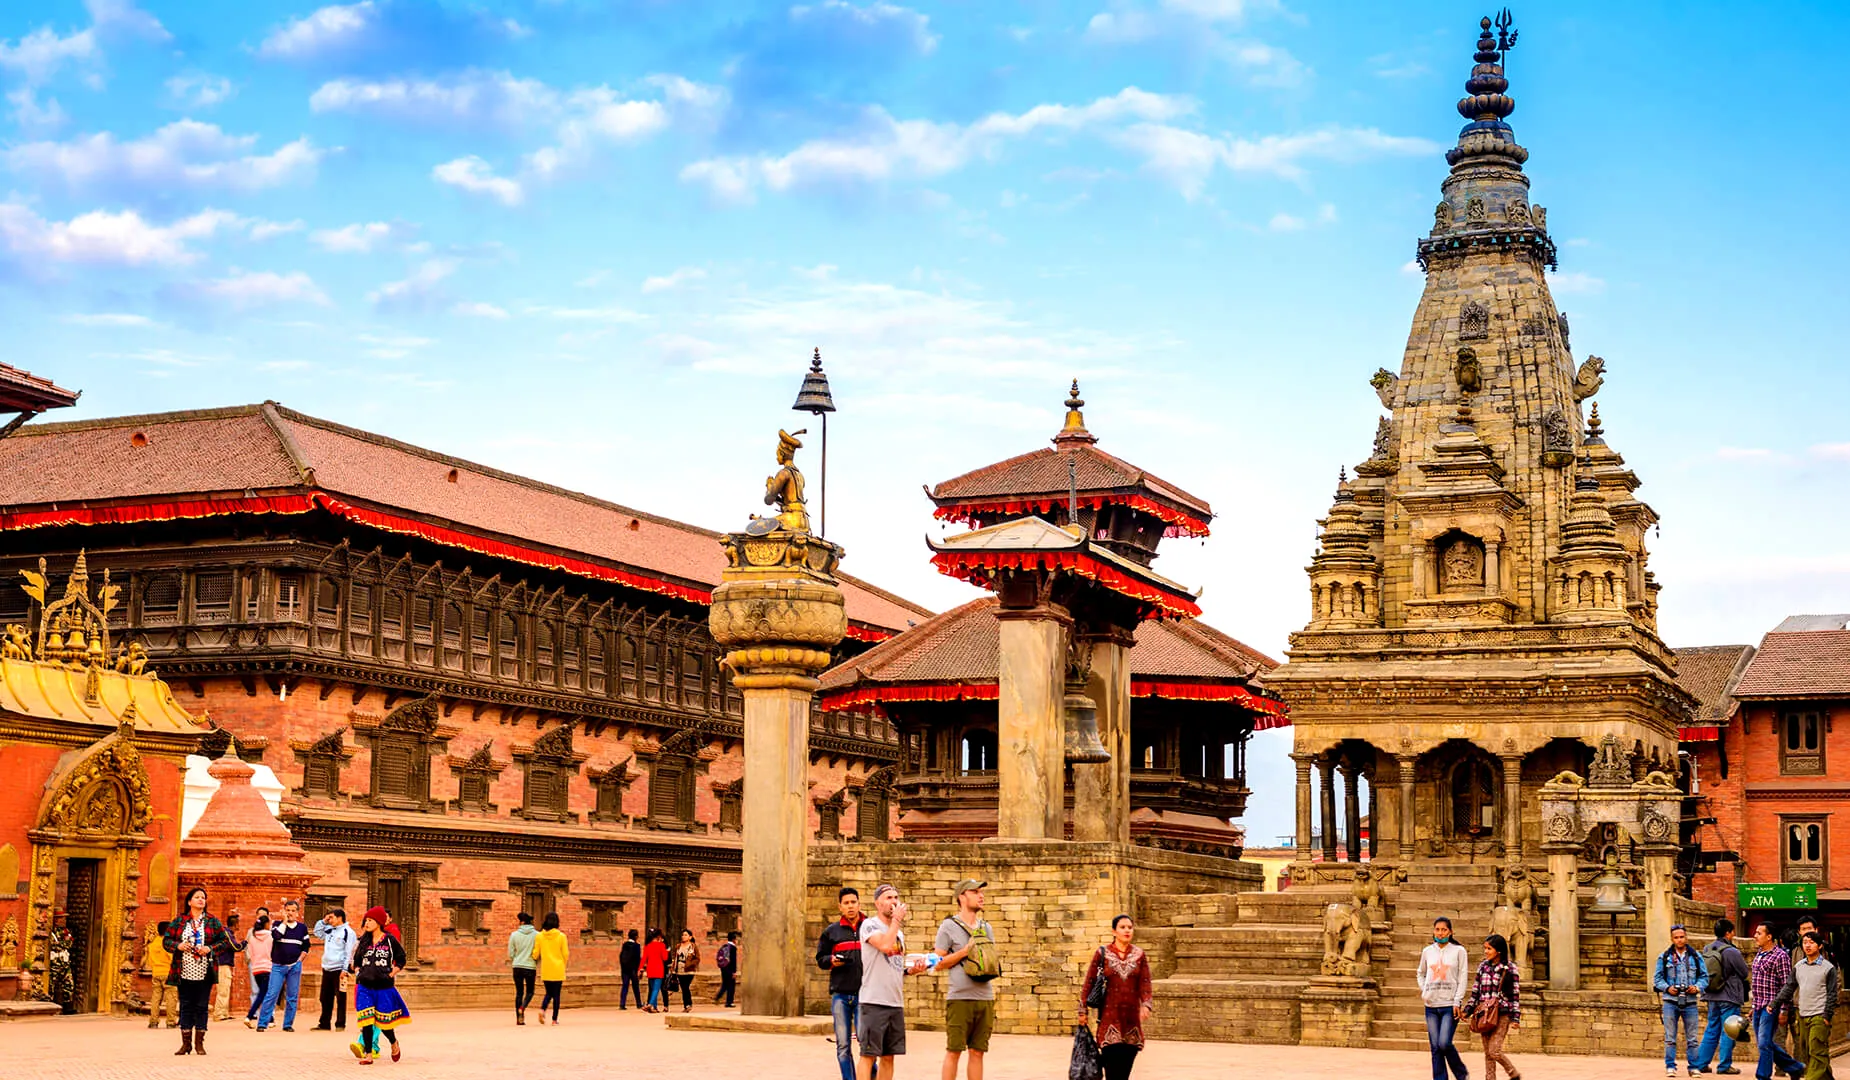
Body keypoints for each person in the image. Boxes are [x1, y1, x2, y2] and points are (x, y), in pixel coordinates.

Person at [858, 883, 932, 1080]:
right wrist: (896, 921)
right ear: (877, 903)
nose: (894, 901)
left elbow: (895, 966)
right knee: (868, 1055)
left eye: (896, 897)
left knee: (889, 1056)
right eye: (888, 897)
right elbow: (883, 945)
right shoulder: (869, 925)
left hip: (895, 1002)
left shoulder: (898, 933)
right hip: (873, 1001)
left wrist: (911, 970)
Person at [934, 879, 998, 1080]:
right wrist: (963, 952)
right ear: (962, 897)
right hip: (960, 998)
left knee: (978, 1052)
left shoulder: (986, 928)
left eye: (981, 892)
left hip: (985, 997)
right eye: (975, 892)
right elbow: (938, 962)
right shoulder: (948, 926)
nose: (981, 896)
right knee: (954, 1050)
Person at [1077, 914, 1153, 1080]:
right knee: (1112, 1073)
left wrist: (1146, 1004)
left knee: (1123, 1074)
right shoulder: (1102, 953)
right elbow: (1089, 982)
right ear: (1114, 931)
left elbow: (1145, 983)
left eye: (1129, 927)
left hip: (1131, 1024)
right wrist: (1082, 1010)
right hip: (1109, 1022)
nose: (1127, 930)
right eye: (1122, 927)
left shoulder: (1139, 955)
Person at [162, 886, 231, 1056]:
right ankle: (185, 1044)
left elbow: (224, 942)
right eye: (197, 897)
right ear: (189, 901)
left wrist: (209, 948)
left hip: (205, 970)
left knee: (201, 1006)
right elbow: (167, 940)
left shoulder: (212, 921)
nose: (201, 900)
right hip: (183, 969)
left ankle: (199, 1043)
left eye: (203, 897)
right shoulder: (180, 921)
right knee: (186, 1006)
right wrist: (178, 945)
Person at [348, 907, 411, 1065]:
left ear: (379, 922)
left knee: (384, 1022)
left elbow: (401, 958)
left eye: (370, 920)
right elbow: (356, 960)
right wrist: (358, 972)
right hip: (364, 987)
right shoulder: (364, 940)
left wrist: (392, 973)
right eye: (366, 920)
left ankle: (393, 1042)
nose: (367, 923)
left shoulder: (390, 940)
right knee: (366, 1020)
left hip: (384, 987)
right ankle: (368, 1054)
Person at [1773, 931, 1839, 1080]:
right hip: (1802, 1015)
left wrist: (1827, 1016)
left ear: (1820, 945)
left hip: (1819, 1016)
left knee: (1817, 1051)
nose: (1807, 945)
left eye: (1811, 942)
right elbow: (1789, 987)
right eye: (1805, 942)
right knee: (1808, 1052)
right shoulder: (1798, 966)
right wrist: (1775, 1003)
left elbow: (1832, 994)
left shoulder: (1828, 968)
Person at [819, 887, 868, 1080]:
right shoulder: (831, 932)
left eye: (853, 902)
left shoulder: (870, 927)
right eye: (846, 903)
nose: (850, 906)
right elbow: (820, 958)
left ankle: (871, 1073)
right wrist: (831, 960)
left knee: (866, 1044)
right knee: (843, 1046)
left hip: (865, 994)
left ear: (859, 904)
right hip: (840, 995)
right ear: (840, 906)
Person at [1693, 918, 1751, 1076]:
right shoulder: (1731, 951)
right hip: (1729, 996)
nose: (1733, 934)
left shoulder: (1707, 948)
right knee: (1729, 1030)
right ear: (1728, 932)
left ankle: (1701, 1063)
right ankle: (1724, 1065)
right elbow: (1744, 972)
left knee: (1712, 1029)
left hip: (1711, 995)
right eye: (1732, 931)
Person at [1748, 922, 1805, 1080]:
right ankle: (1795, 1068)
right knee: (1765, 1044)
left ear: (1769, 936)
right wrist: (1753, 1006)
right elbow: (1757, 983)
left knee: (1764, 1044)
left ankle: (1763, 1076)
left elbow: (1787, 985)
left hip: (1771, 1007)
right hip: (1758, 1006)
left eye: (1759, 933)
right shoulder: (1759, 954)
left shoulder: (1780, 956)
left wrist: (1784, 1009)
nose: (1755, 936)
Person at [1461, 933, 1521, 1080]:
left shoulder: (1510, 968)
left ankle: (1513, 1073)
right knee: (1488, 1053)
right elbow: (1475, 992)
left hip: (1502, 1014)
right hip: (1484, 1014)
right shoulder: (1482, 967)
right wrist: (1467, 1011)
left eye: (1489, 949)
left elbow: (1515, 995)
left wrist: (1515, 1018)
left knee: (1494, 1050)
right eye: (1485, 948)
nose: (1486, 951)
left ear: (1498, 951)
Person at [1419, 916, 1470, 1080]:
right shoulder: (1427, 951)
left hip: (1450, 1005)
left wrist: (1458, 1000)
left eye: (1444, 930)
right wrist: (1424, 990)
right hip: (1431, 1005)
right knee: (1435, 1047)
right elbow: (1420, 973)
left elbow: (1463, 977)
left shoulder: (1459, 951)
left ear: (1451, 931)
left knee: (1444, 1043)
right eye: (1437, 929)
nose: (1440, 933)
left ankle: (1461, 1074)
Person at [1657, 923, 1703, 1077]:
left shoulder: (1696, 956)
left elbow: (1705, 977)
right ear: (1672, 939)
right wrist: (1667, 988)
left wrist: (1696, 987)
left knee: (1693, 1039)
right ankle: (1670, 1066)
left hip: (1690, 1002)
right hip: (1670, 1001)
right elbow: (1657, 979)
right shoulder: (1664, 957)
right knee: (1670, 1038)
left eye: (1682, 937)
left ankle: (1694, 1067)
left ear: (1686, 937)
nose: (1679, 940)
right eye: (1676, 937)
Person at [258, 898, 311, 1031]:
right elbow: (276, 936)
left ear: (297, 913)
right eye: (288, 910)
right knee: (272, 994)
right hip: (278, 966)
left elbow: (306, 946)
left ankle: (288, 1024)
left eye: (293, 911)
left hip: (294, 966)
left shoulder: (302, 928)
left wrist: (300, 960)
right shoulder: (277, 924)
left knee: (292, 996)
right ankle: (262, 1023)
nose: (290, 913)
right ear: (284, 911)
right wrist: (284, 922)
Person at [312, 908, 357, 1032]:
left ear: (339, 918)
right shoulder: (329, 930)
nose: (329, 920)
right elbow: (317, 932)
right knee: (325, 997)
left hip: (339, 969)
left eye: (331, 917)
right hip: (327, 968)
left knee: (340, 997)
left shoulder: (348, 932)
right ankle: (324, 1023)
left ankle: (340, 1024)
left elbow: (349, 952)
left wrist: (345, 969)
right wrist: (323, 921)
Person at [534, 912, 570, 1026]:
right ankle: (554, 1020)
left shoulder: (539, 936)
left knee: (548, 993)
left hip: (546, 968)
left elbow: (535, 954)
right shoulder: (561, 936)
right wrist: (562, 964)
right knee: (557, 995)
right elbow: (565, 954)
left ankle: (542, 1009)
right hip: (558, 968)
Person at [210, 913, 243, 1022]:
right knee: (223, 989)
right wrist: (244, 943)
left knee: (225, 988)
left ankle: (223, 1012)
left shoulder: (225, 933)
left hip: (223, 963)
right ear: (235, 924)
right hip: (222, 964)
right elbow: (235, 947)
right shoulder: (227, 933)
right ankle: (219, 1013)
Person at [508, 911, 539, 1025]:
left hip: (517, 966)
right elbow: (538, 951)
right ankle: (523, 1007)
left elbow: (511, 953)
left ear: (521, 922)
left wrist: (517, 958)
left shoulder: (514, 935)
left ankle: (519, 1019)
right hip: (530, 966)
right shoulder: (537, 935)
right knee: (530, 992)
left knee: (519, 993)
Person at [243, 914, 274, 1028]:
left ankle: (271, 1019)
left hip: (256, 969)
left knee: (264, 994)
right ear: (266, 924)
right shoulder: (270, 936)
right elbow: (273, 952)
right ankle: (250, 1016)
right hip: (267, 968)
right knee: (264, 995)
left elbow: (250, 953)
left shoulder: (252, 937)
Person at [147, 920, 176, 1029]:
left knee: (155, 998)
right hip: (168, 972)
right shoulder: (168, 943)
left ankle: (153, 1021)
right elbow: (172, 959)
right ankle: (170, 1022)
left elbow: (149, 960)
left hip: (156, 972)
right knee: (171, 998)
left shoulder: (153, 944)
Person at [672, 928, 701, 1013]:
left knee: (685, 987)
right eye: (683, 935)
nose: (683, 937)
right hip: (680, 970)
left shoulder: (693, 946)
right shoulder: (678, 946)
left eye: (685, 935)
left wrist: (691, 964)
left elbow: (697, 958)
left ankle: (688, 1004)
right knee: (683, 988)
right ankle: (686, 1005)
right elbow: (676, 958)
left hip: (689, 970)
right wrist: (673, 969)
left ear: (690, 937)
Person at [643, 928, 669, 1013]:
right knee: (656, 989)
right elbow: (665, 958)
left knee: (652, 988)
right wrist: (666, 951)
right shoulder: (661, 945)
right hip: (659, 969)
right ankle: (650, 1004)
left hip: (650, 969)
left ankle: (653, 1007)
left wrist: (640, 968)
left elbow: (644, 959)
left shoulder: (648, 946)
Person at [619, 929, 643, 1010]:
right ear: (636, 936)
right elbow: (638, 958)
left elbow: (621, 956)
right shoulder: (636, 946)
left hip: (625, 969)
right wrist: (639, 969)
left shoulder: (625, 944)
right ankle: (639, 1003)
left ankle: (622, 1004)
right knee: (636, 987)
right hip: (633, 969)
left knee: (625, 986)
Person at [714, 931, 739, 1007]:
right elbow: (733, 960)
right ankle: (729, 1002)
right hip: (730, 969)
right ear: (734, 939)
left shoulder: (724, 946)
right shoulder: (733, 948)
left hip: (724, 968)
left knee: (725, 984)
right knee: (731, 985)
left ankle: (718, 997)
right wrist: (734, 972)